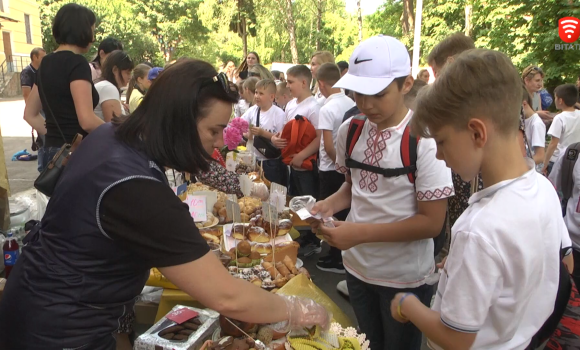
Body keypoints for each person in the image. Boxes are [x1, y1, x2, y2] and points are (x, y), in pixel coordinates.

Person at [0, 59, 330, 349]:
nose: (218, 142)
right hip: (60, 329)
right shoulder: (137, 187)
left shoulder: (113, 135)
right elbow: (226, 295)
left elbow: (192, 160)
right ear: (178, 120)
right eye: (214, 130)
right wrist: (295, 309)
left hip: (42, 302)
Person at [391, 48, 572, 350]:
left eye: (441, 141)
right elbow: (561, 263)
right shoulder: (541, 188)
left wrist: (407, 303)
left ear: (476, 133)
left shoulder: (479, 230)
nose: (438, 154)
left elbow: (456, 338)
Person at [311, 35, 453, 350]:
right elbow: (353, 186)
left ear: (406, 84)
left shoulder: (425, 139)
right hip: (357, 268)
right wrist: (328, 206)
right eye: (358, 93)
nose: (366, 104)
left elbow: (431, 223)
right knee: (368, 342)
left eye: (378, 94)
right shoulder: (350, 130)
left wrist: (359, 233)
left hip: (404, 279)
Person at [23, 3, 104, 173]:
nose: (93, 37)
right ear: (82, 30)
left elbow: (29, 114)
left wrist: (54, 133)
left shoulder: (45, 63)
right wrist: (118, 132)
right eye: (92, 30)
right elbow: (87, 120)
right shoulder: (77, 63)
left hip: (52, 154)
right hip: (77, 155)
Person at [427, 33, 486, 233]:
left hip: (475, 198)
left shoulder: (486, 96)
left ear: (452, 62)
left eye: (437, 72)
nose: (436, 79)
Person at [273, 65, 322, 256]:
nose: (287, 85)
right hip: (292, 164)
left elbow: (319, 137)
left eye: (291, 81)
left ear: (303, 82)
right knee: (297, 201)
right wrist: (278, 138)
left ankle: (315, 239)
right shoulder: (292, 105)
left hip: (306, 165)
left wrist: (302, 155)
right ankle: (304, 235)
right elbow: (287, 130)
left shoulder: (313, 106)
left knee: (310, 202)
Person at [314, 63, 354, 275]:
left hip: (331, 169)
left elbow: (328, 145)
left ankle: (336, 256)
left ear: (321, 84)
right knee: (343, 213)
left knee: (330, 216)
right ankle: (339, 255)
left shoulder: (327, 108)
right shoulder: (348, 102)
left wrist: (338, 167)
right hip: (345, 169)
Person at [242, 79, 287, 185]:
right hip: (254, 160)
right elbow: (240, 125)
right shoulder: (253, 110)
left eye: (261, 93)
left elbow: (281, 139)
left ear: (272, 97)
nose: (257, 96)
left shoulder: (278, 114)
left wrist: (262, 133)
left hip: (271, 162)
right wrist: (248, 134)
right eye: (256, 92)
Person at [543, 84, 580, 175]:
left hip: (558, 160)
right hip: (576, 158)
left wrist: (545, 163)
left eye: (555, 97)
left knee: (556, 187)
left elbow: (553, 144)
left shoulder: (559, 118)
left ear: (560, 100)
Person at [21, 47, 46, 173]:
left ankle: (45, 168)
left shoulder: (43, 71)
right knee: (44, 139)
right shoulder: (27, 72)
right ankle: (43, 169)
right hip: (38, 110)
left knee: (47, 139)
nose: (44, 59)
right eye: (42, 57)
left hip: (46, 108)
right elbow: (27, 95)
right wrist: (33, 111)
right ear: (35, 57)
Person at [93, 51, 134, 122]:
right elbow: (114, 126)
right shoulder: (108, 88)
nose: (130, 77)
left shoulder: (104, 85)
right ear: (115, 70)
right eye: (127, 73)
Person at [522, 85, 546, 170]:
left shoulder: (536, 124)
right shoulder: (523, 120)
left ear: (524, 104)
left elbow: (540, 156)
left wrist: (518, 166)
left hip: (533, 172)